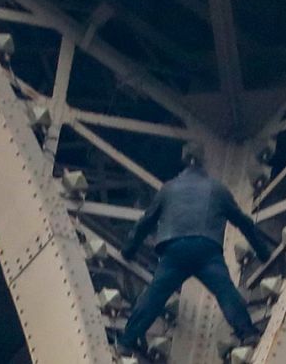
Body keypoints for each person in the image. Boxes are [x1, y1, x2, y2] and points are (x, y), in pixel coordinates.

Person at [117, 144, 274, 353]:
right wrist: (263, 252)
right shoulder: (217, 189)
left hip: (174, 250)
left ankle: (127, 342)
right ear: (203, 165)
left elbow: (145, 222)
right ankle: (248, 333)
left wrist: (128, 250)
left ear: (184, 163)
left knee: (154, 296)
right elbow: (243, 222)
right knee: (225, 291)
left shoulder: (168, 189)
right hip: (206, 249)